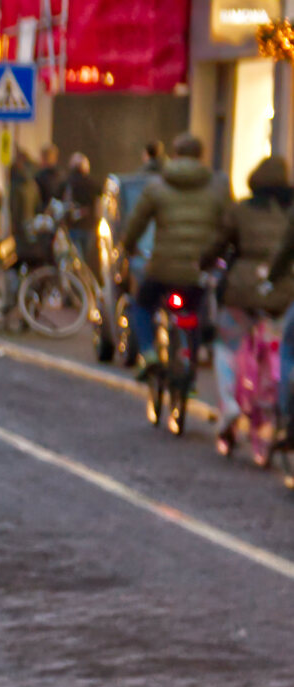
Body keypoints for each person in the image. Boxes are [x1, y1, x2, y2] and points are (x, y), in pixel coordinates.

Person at [117, 134, 234, 366]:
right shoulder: (217, 187)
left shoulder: (156, 186)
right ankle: (190, 366)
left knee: (141, 306)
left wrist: (127, 249)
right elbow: (229, 224)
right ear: (202, 156)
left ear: (175, 155)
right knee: (195, 309)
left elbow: (136, 224)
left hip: (162, 267)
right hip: (197, 267)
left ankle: (149, 353)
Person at [218, 156, 294, 452]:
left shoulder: (241, 210)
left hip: (248, 289)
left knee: (228, 341)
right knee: (277, 337)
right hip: (285, 293)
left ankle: (230, 404)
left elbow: (221, 243)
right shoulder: (286, 208)